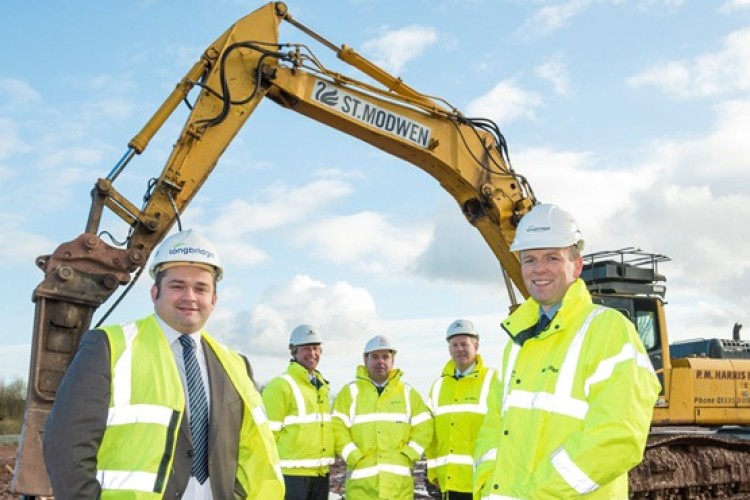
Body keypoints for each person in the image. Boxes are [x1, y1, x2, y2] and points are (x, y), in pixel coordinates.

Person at [43, 229, 284, 499]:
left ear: (214, 300)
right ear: (155, 292)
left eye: (201, 288)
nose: (190, 297)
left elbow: (249, 450)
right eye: (177, 286)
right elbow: (66, 447)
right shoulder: (108, 347)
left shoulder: (236, 365)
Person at [473, 204, 661, 499]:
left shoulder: (609, 331)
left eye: (552, 257)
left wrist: (537, 494)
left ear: (576, 265)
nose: (539, 269)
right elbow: (494, 428)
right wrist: (486, 488)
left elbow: (617, 437)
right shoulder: (517, 343)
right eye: (530, 259)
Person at [332, 334, 433, 499]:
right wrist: (352, 455)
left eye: (386, 357)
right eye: (375, 357)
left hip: (398, 488)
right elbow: (337, 427)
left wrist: (410, 454)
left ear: (393, 361)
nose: (381, 361)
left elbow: (425, 426)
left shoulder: (408, 393)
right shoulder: (350, 392)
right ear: (365, 360)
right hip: (361, 489)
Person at [262, 324, 335, 500]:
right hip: (291, 476)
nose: (312, 353)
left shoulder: (322, 387)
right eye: (306, 348)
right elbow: (265, 437)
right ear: (294, 352)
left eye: (316, 348)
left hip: (320, 474)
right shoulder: (280, 385)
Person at [425, 319, 495, 500]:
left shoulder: (494, 381)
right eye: (454, 345)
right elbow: (430, 435)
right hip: (449, 484)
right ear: (449, 349)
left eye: (464, 344)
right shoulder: (438, 386)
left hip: (484, 482)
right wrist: (433, 471)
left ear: (476, 345)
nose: (459, 349)